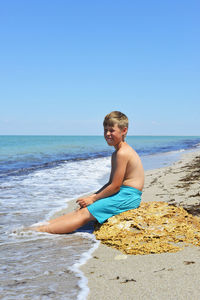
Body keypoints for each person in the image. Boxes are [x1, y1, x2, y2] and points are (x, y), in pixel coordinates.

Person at [34, 111, 144, 234]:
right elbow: (110, 183)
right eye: (105, 130)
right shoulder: (117, 152)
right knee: (81, 210)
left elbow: (115, 186)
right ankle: (39, 227)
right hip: (123, 193)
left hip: (128, 197)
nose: (107, 134)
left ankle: (40, 232)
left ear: (124, 131)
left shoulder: (122, 153)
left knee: (84, 214)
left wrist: (94, 199)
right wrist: (92, 197)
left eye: (111, 130)